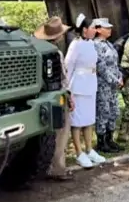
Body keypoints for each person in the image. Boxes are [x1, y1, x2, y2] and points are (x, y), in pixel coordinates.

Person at [34, 17, 75, 181]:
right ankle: (57, 168)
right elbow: (63, 78)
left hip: (40, 97)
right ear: (58, 36)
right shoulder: (55, 53)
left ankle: (43, 166)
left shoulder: (36, 50)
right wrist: (69, 96)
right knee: (61, 133)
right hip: (57, 96)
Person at [63, 14, 104, 169]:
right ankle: (79, 153)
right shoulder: (75, 44)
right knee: (78, 122)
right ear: (85, 29)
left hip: (90, 84)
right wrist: (67, 89)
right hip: (78, 86)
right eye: (93, 27)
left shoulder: (91, 44)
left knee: (88, 119)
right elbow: (68, 66)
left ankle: (89, 149)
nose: (95, 30)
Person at [92, 18, 123, 154]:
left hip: (113, 84)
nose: (110, 30)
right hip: (103, 84)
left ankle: (110, 139)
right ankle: (101, 141)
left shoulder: (109, 44)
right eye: (106, 28)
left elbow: (114, 64)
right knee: (103, 112)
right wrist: (115, 80)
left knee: (113, 110)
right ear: (98, 29)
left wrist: (120, 76)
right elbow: (101, 67)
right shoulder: (95, 45)